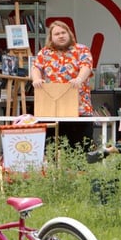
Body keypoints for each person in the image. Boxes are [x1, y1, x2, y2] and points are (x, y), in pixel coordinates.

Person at [31, 20, 94, 149]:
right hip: (52, 111)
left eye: (63, 32)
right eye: (57, 34)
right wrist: (36, 79)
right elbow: (35, 67)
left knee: (81, 151)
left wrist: (79, 79)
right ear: (51, 37)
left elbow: (86, 66)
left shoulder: (82, 50)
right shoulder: (44, 53)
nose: (61, 36)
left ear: (69, 33)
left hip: (79, 111)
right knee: (52, 151)